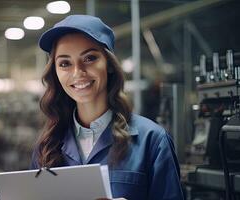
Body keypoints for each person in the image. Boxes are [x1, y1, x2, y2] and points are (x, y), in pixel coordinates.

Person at [30, 15, 184, 200]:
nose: (78, 72)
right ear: (55, 72)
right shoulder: (47, 146)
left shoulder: (152, 140)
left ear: (109, 64)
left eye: (89, 58)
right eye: (65, 63)